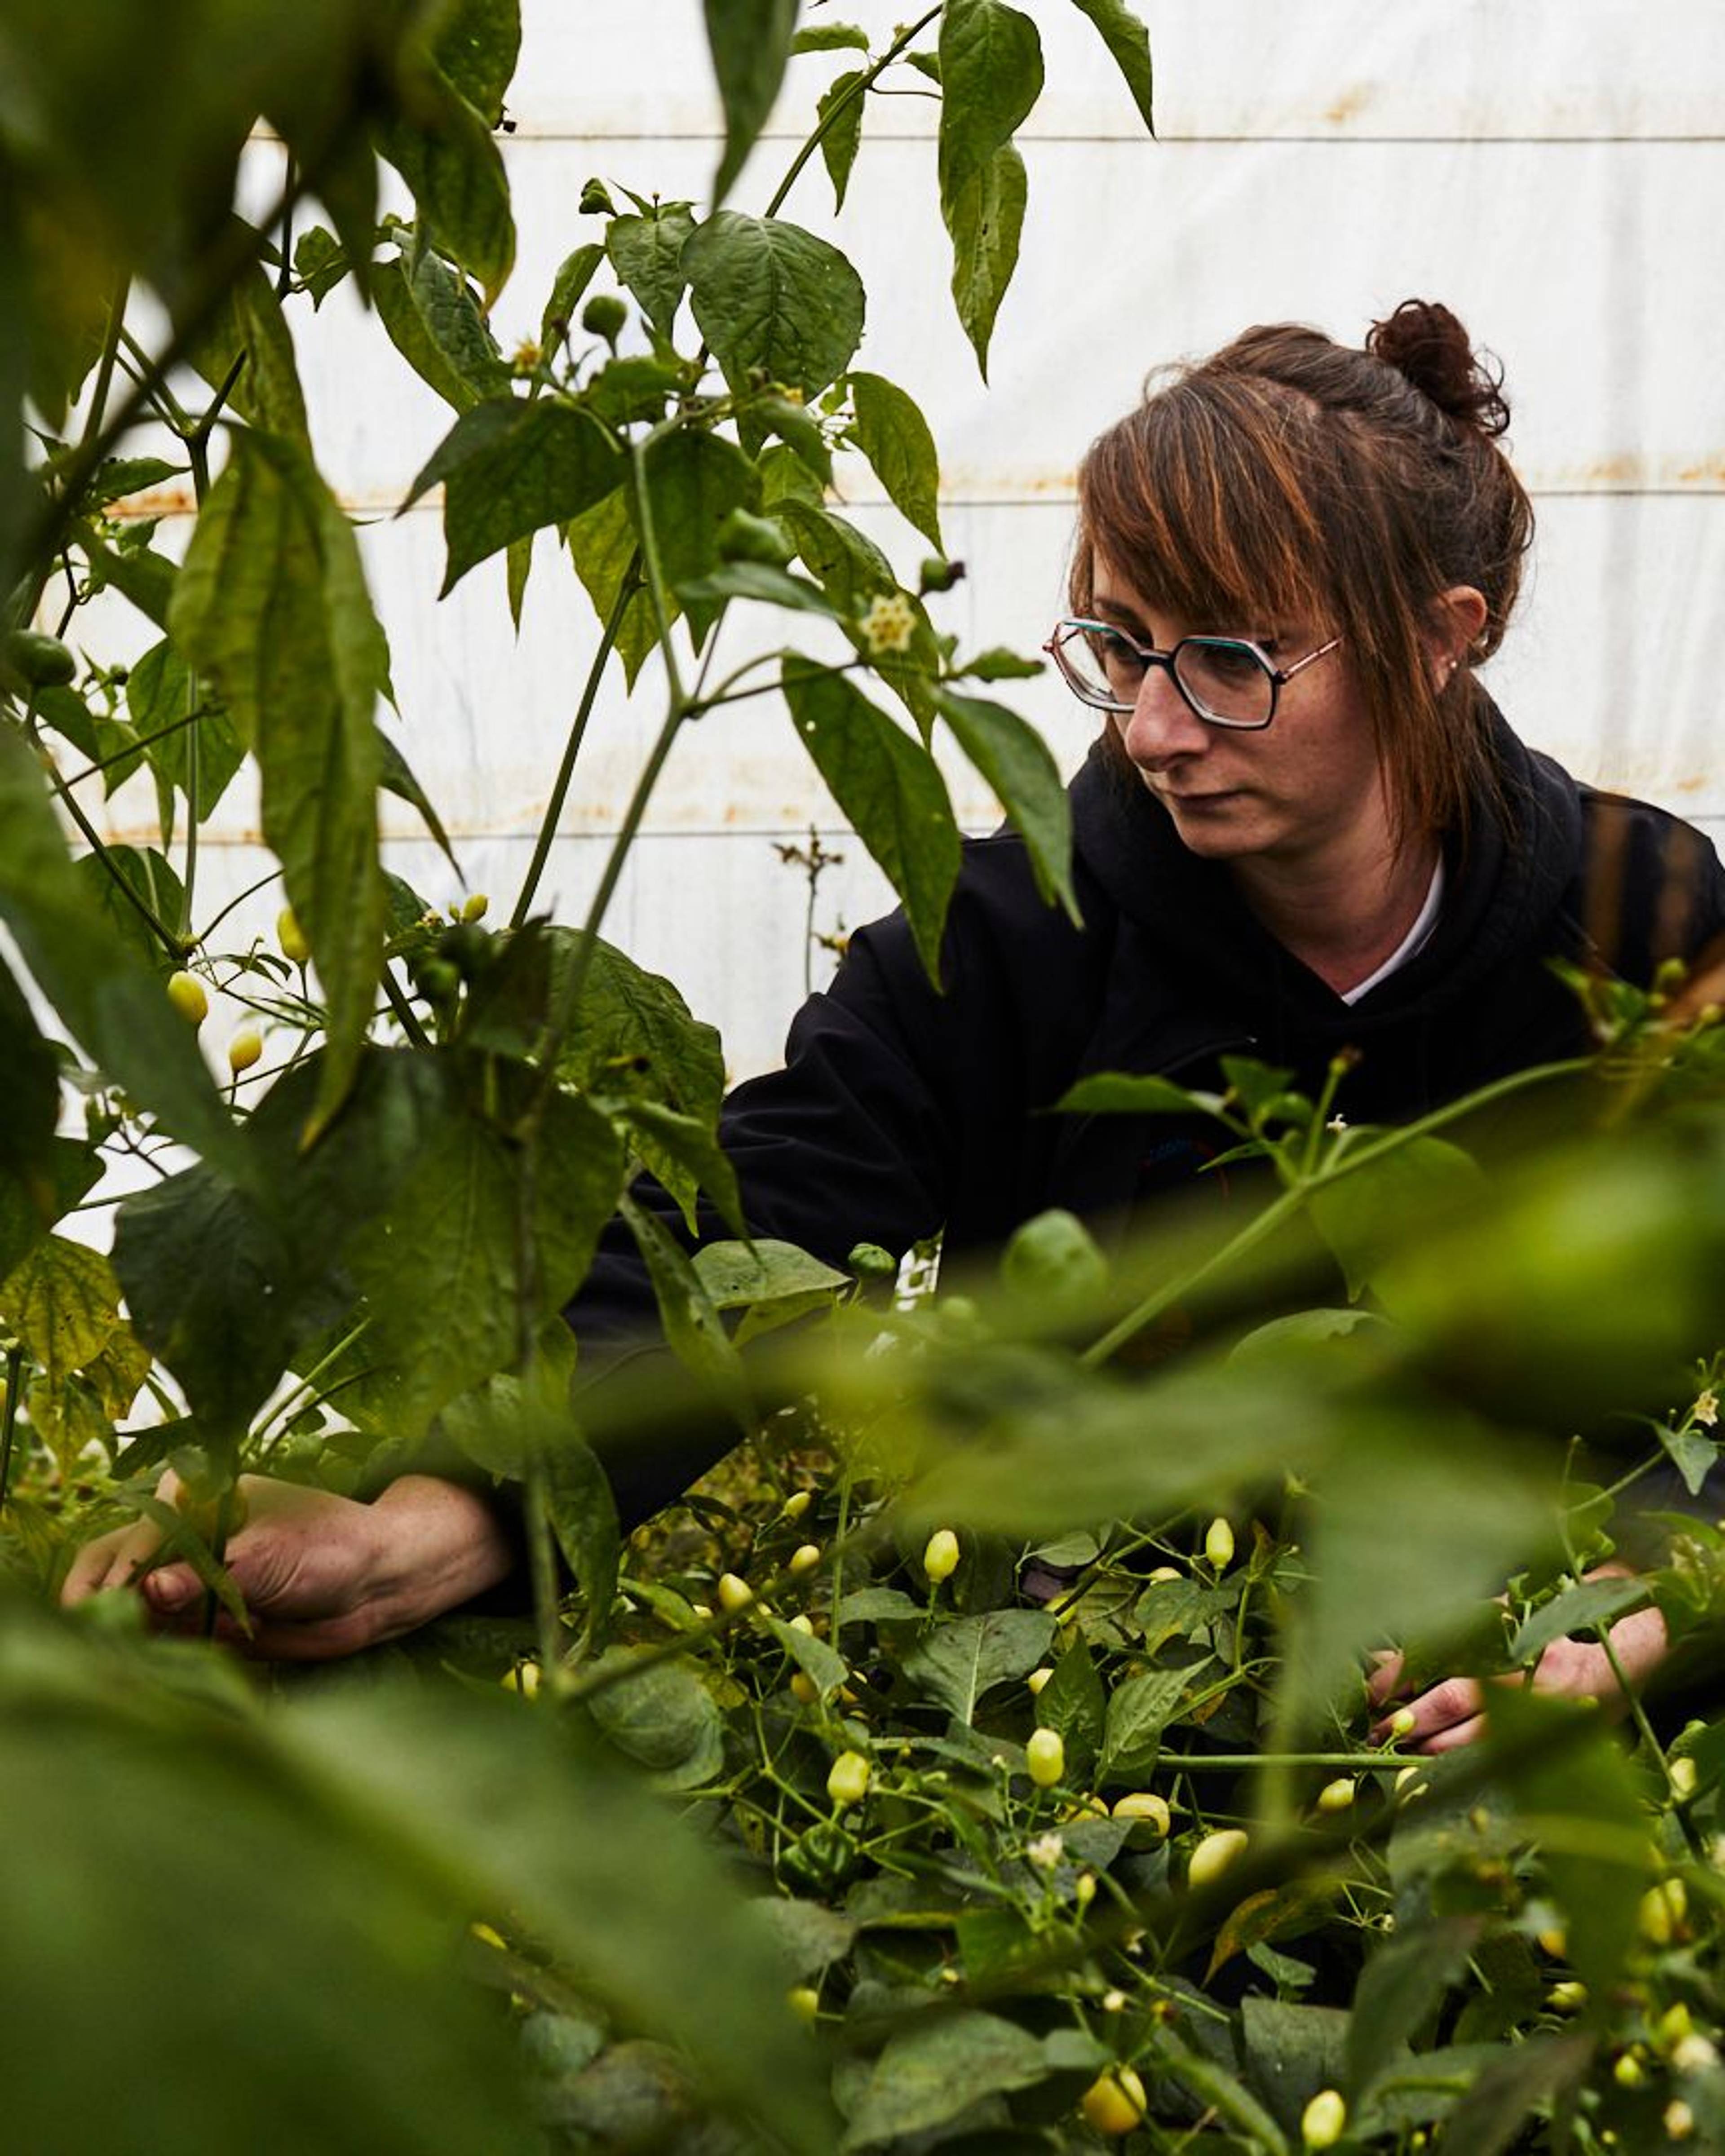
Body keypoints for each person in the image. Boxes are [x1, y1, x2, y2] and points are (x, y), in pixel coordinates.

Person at [64, 301, 1725, 1745]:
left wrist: (1647, 1610)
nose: (1153, 728)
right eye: (1120, 648)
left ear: (1445, 639)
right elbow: (737, 1250)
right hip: (1084, 1715)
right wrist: (424, 1517)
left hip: (1511, 1716)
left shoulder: (1640, 923)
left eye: (1227, 660)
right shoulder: (1013, 934)